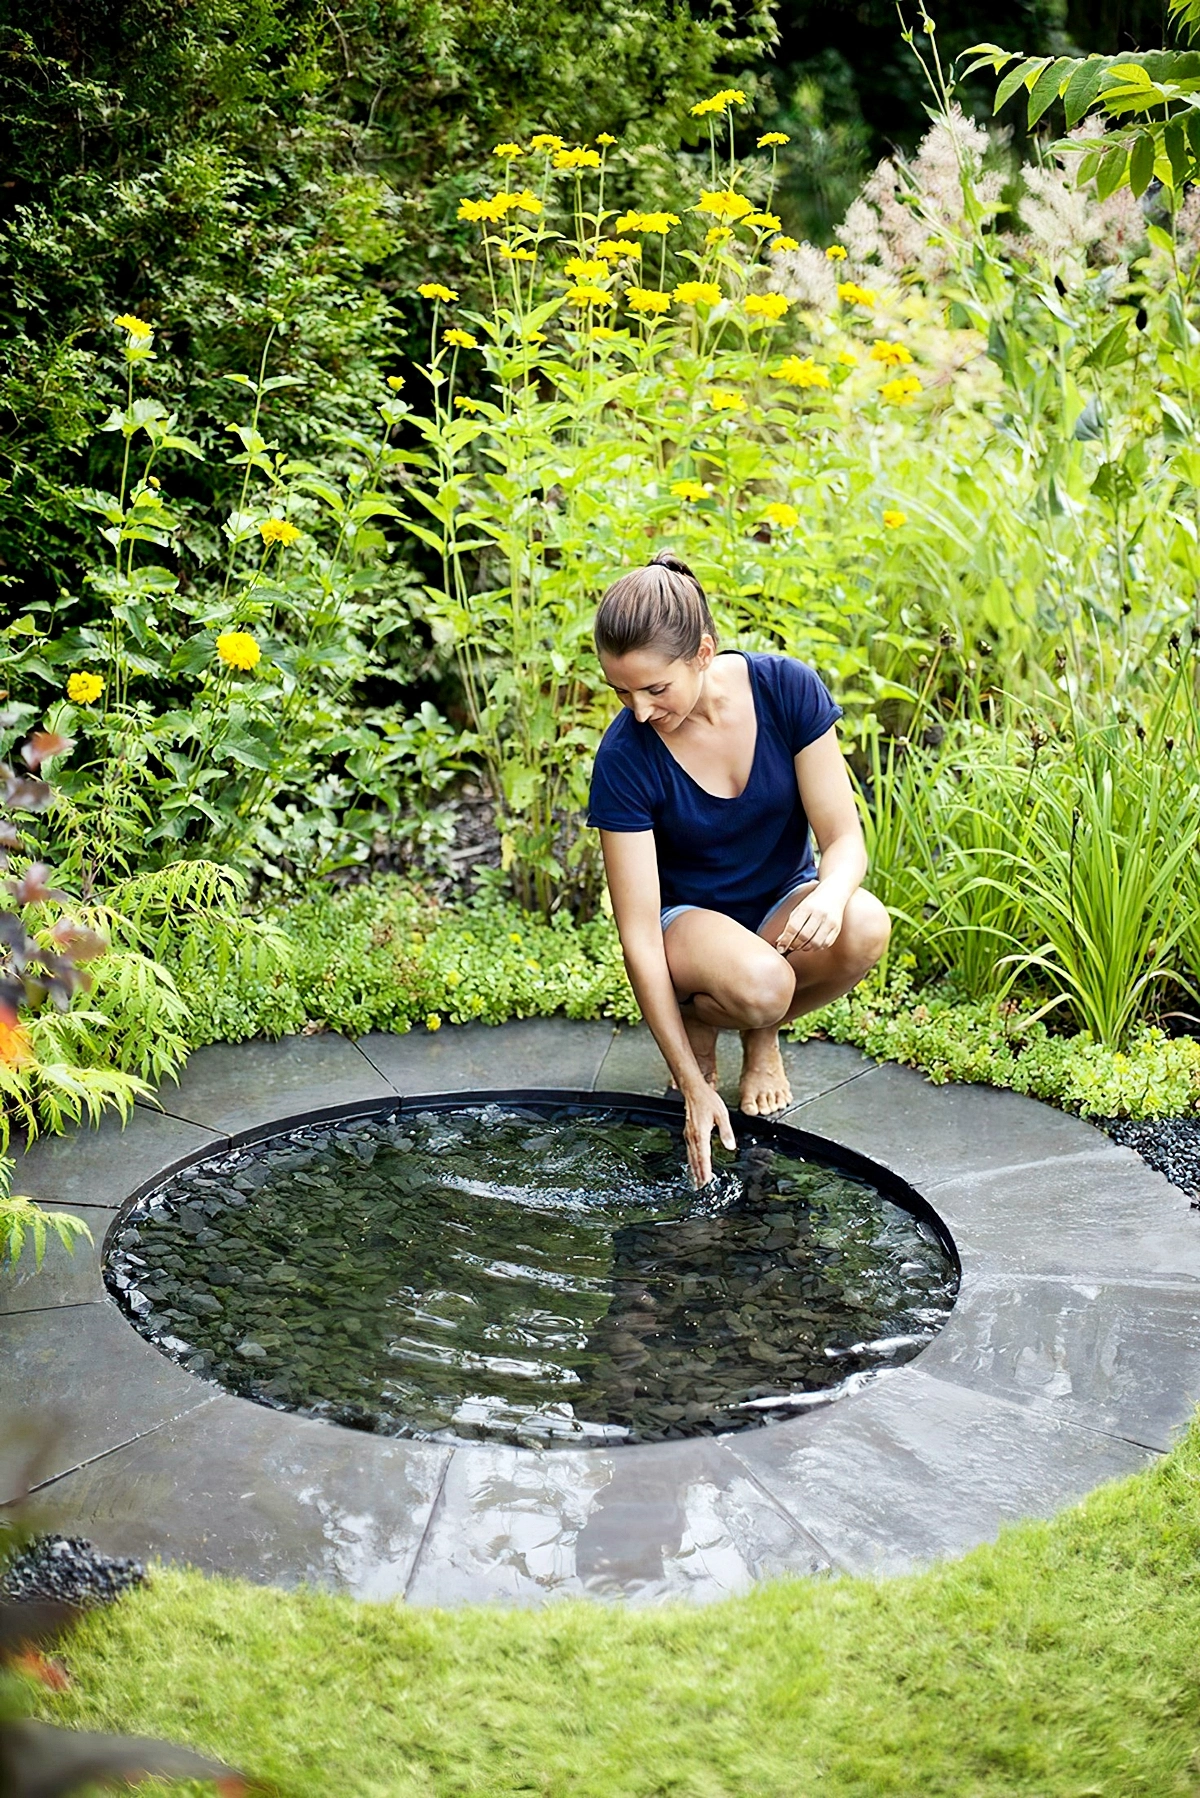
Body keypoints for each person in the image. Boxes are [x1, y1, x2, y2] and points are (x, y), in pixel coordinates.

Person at [588, 550, 891, 1187]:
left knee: (863, 924)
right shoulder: (625, 757)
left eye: (655, 688)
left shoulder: (785, 689)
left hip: (780, 900)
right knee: (762, 984)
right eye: (622, 692)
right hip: (686, 926)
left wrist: (832, 894)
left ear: (703, 651)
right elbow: (639, 939)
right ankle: (708, 1016)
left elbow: (844, 841)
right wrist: (695, 1085)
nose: (639, 711)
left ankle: (757, 1037)